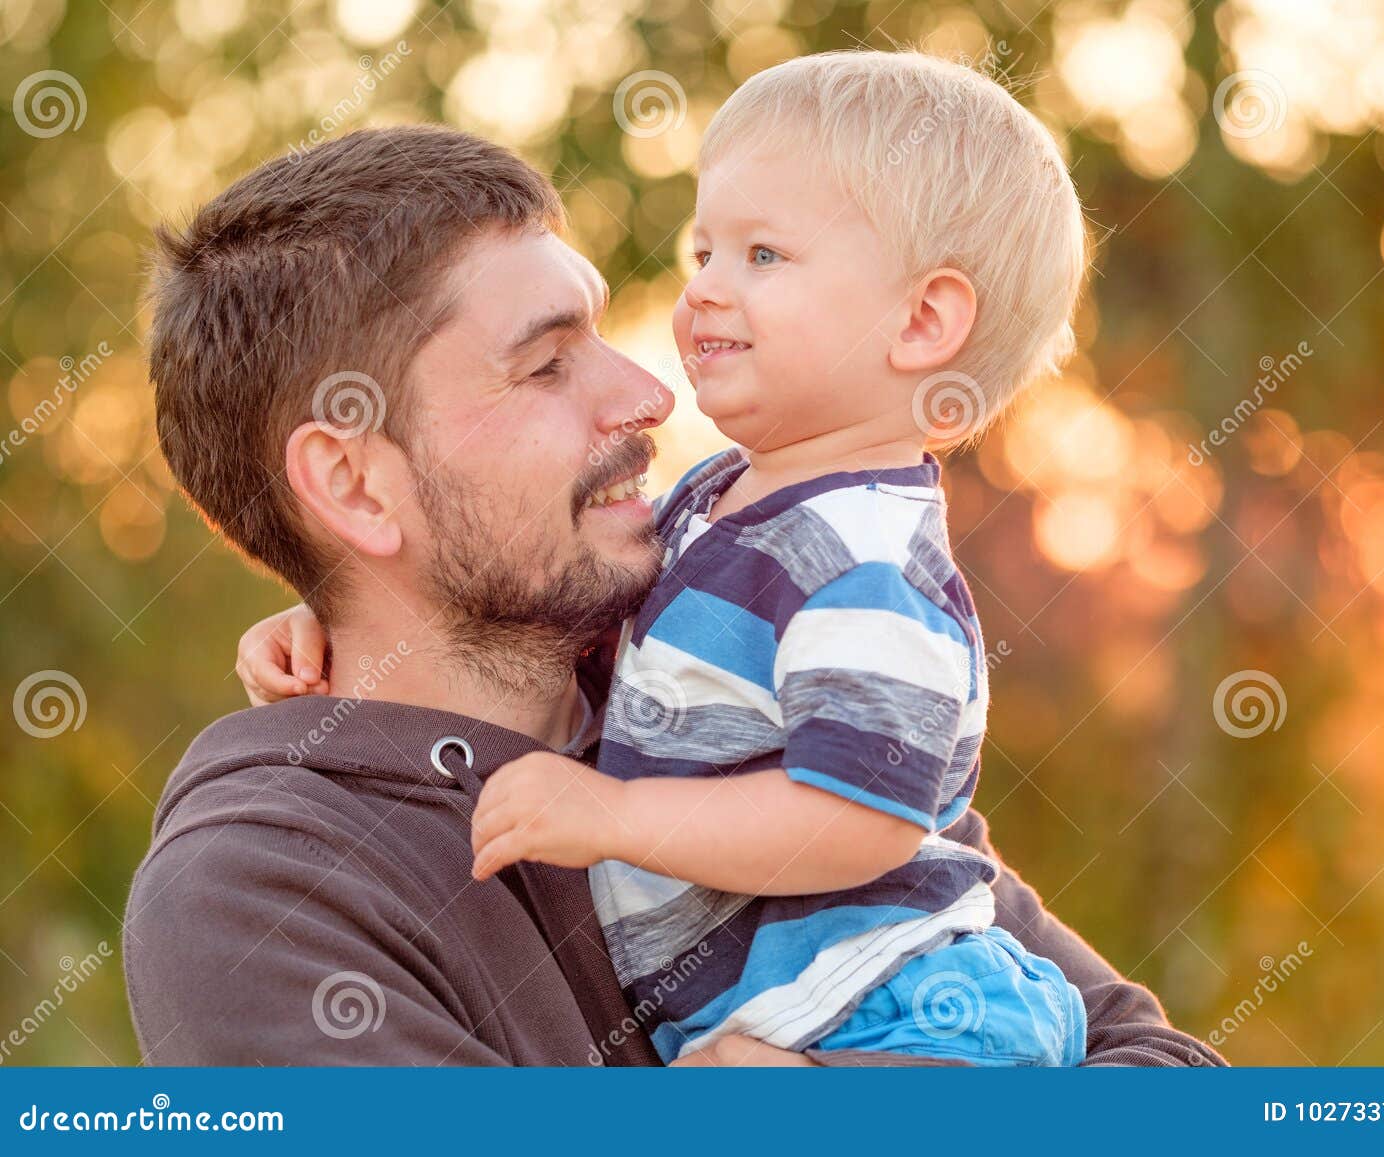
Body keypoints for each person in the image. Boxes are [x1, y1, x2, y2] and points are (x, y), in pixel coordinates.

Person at [129, 119, 1221, 1068]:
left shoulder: (733, 697)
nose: (650, 394)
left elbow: (1165, 1067)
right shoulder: (261, 895)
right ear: (357, 485)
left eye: (602, 333)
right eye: (548, 364)